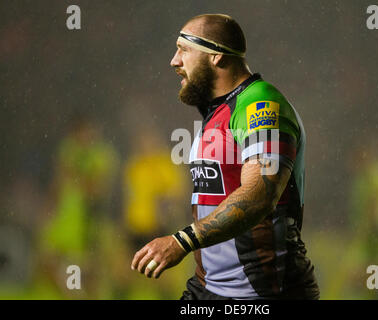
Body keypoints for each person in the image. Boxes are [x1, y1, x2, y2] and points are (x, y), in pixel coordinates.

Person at [131, 13, 320, 300]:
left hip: (263, 292)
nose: (174, 61)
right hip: (209, 288)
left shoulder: (260, 104)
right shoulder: (217, 113)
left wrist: (182, 241)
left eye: (184, 49)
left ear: (216, 55)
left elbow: (260, 194)